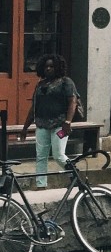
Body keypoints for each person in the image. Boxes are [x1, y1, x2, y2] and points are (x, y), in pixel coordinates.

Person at [17, 53, 79, 189]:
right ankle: (41, 186)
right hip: (42, 125)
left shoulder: (66, 82)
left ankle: (75, 175)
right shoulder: (40, 85)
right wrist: (25, 128)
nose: (48, 69)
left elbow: (72, 102)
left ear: (58, 67)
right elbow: (34, 107)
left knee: (58, 155)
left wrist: (68, 122)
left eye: (52, 66)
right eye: (46, 66)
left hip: (60, 125)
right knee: (41, 156)